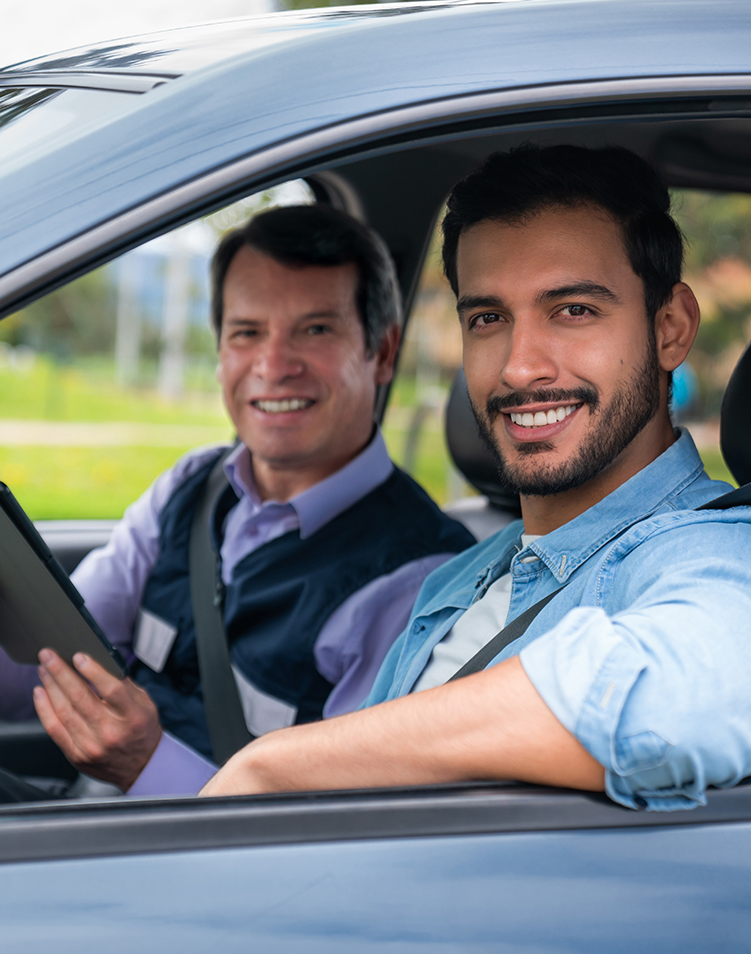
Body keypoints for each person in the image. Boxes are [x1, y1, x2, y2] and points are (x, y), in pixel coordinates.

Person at [39, 145, 751, 811]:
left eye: (574, 311)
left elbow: (691, 700)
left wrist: (269, 769)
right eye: (488, 318)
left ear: (670, 327)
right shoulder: (463, 579)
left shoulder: (728, 553)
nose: (520, 366)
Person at [9, 204, 474, 797]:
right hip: (82, 813)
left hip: (186, 853)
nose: (273, 366)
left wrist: (148, 767)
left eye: (316, 330)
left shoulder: (422, 583)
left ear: (381, 353)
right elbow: (50, 666)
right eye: (247, 333)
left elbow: (338, 832)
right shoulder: (190, 487)